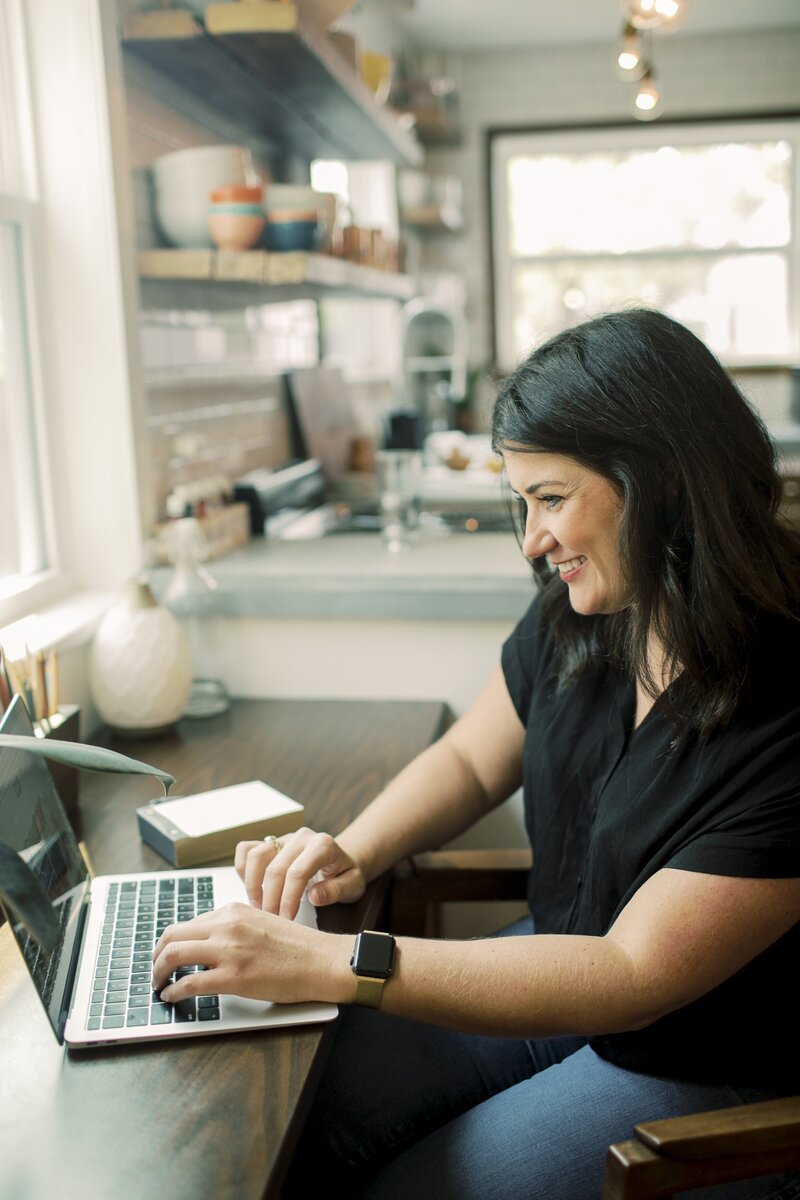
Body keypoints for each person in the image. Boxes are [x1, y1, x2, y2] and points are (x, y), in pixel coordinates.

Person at [152, 309, 800, 1200]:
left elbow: (630, 975)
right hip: (560, 966)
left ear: (662, 480)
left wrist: (331, 963)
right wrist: (356, 846)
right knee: (302, 1122)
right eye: (521, 501)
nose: (532, 541)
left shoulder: (785, 703)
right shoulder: (600, 605)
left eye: (551, 498)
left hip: (698, 1057)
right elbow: (470, 760)